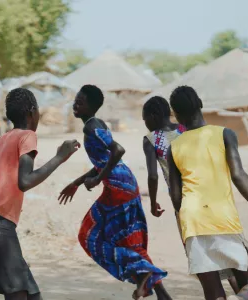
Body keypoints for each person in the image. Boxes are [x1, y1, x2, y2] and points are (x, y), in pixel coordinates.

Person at [0, 88, 80, 300]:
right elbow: (25, 181)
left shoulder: (1, 141)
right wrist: (60, 157)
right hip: (0, 229)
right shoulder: (28, 136)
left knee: (32, 295)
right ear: (32, 112)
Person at [59, 85, 171, 300]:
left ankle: (145, 273)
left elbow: (118, 151)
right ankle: (161, 293)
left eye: (81, 101)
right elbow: (104, 160)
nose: (76, 104)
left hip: (118, 187)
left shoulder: (91, 127)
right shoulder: (95, 125)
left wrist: (98, 179)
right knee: (130, 242)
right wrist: (77, 182)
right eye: (76, 100)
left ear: (92, 106)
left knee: (89, 235)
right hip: (123, 184)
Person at [167, 86, 248, 300]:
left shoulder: (173, 147)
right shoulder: (224, 134)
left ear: (177, 115)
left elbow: (175, 197)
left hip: (192, 221)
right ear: (200, 103)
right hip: (222, 217)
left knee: (213, 294)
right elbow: (239, 176)